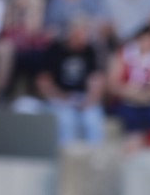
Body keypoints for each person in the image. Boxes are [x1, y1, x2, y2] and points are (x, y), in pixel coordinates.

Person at [36, 17, 105, 145]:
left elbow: (96, 80)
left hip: (82, 97)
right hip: (58, 98)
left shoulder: (90, 51)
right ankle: (67, 159)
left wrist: (89, 101)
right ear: (73, 33)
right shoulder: (54, 49)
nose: (87, 36)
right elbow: (43, 82)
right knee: (66, 120)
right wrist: (60, 97)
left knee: (93, 119)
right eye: (84, 32)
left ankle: (95, 159)